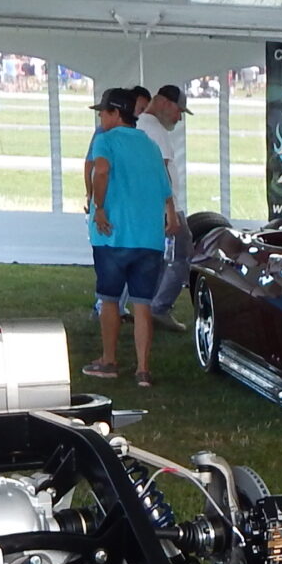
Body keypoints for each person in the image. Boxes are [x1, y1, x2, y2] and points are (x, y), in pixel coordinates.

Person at [84, 88, 178, 386]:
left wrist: (99, 207)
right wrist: (172, 216)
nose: (100, 116)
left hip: (113, 235)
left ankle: (109, 361)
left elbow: (100, 171)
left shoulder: (105, 140)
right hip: (148, 237)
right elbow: (165, 187)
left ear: (114, 113)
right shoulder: (150, 145)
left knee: (109, 300)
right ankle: (143, 370)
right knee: (142, 304)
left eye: (103, 112)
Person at [138, 82, 194, 327]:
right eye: (178, 111)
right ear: (163, 103)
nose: (179, 118)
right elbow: (162, 174)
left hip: (149, 207)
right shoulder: (157, 131)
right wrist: (171, 210)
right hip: (165, 207)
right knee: (182, 255)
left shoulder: (138, 125)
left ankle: (148, 304)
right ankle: (159, 307)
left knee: (158, 258)